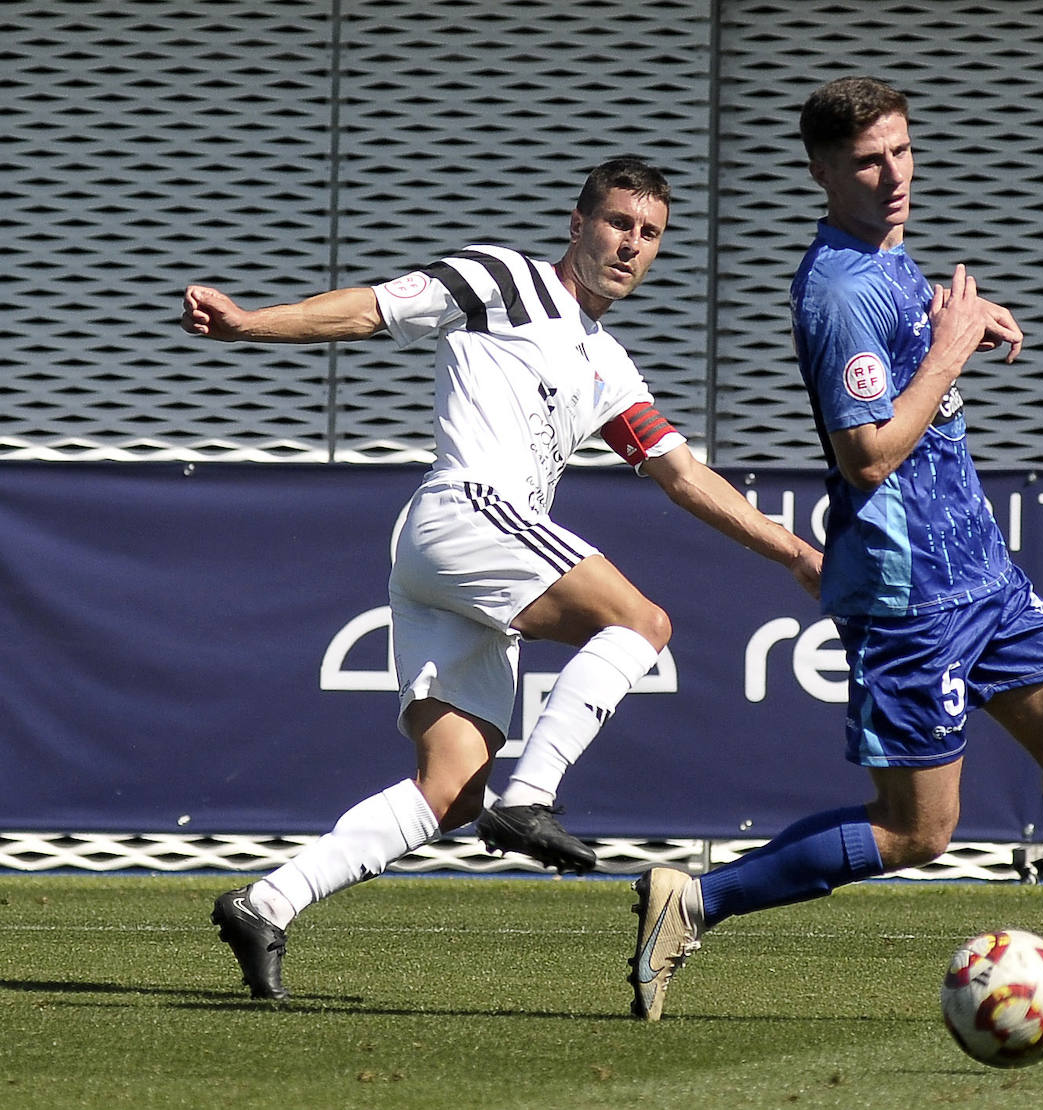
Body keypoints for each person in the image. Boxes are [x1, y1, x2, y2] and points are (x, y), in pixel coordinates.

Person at [627, 78, 1043, 1030]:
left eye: (903, 152)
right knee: (917, 830)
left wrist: (939, 311)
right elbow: (868, 457)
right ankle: (698, 901)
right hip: (911, 592)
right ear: (823, 172)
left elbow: (897, 321)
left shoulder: (881, 262)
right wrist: (950, 348)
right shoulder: (836, 290)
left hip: (982, 574)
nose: (895, 176)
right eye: (869, 161)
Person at [182, 155, 822, 1000]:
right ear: (577, 223)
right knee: (643, 623)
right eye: (619, 223)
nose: (632, 245)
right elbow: (372, 309)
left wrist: (796, 553)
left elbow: (682, 476)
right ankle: (531, 797)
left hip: (449, 556)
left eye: (650, 234)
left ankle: (266, 903)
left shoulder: (610, 365)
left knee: (447, 789)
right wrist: (250, 325)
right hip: (466, 510)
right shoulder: (503, 278)